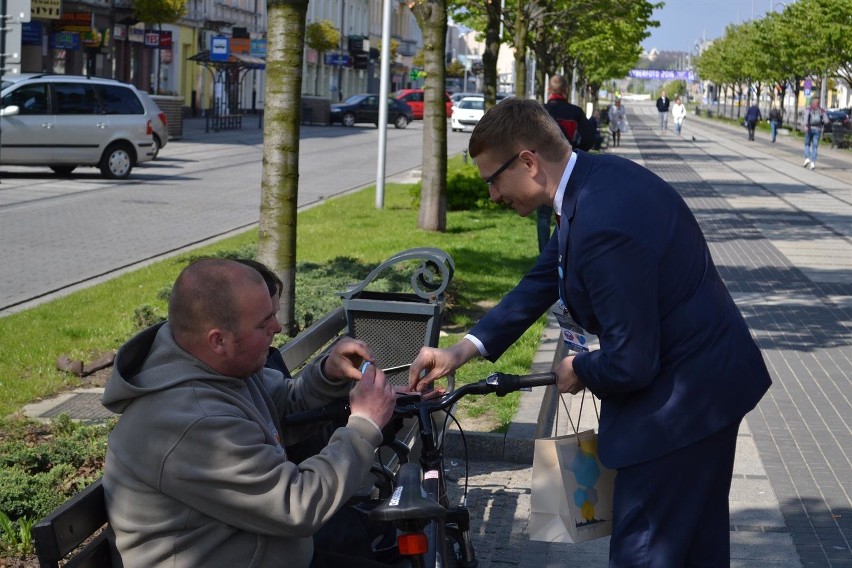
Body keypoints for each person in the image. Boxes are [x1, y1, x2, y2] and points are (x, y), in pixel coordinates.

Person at [407, 98, 771, 567]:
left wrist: (579, 365)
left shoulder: (603, 225)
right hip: (707, 390)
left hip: (676, 412)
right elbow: (543, 279)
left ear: (528, 163)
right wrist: (462, 350)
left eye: (492, 180)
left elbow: (632, 361)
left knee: (648, 552)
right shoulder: (594, 181)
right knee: (697, 548)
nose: (492, 195)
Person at [102, 258, 397, 568]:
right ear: (218, 340)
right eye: (263, 322)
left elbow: (282, 407)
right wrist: (364, 425)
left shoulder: (221, 366)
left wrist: (327, 374)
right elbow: (297, 505)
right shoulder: (192, 421)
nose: (278, 327)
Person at [537, 74, 597, 252]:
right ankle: (566, 252)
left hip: (543, 170)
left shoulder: (540, 111)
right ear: (566, 90)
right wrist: (576, 151)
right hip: (568, 169)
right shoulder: (575, 112)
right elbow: (589, 138)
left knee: (543, 216)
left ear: (549, 90)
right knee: (568, 213)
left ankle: (544, 254)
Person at [801, 96, 827, 170]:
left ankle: (807, 159)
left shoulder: (809, 109)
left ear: (812, 102)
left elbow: (805, 119)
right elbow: (826, 120)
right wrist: (822, 126)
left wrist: (805, 126)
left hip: (809, 129)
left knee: (807, 144)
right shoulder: (821, 110)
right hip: (818, 129)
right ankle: (813, 163)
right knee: (815, 147)